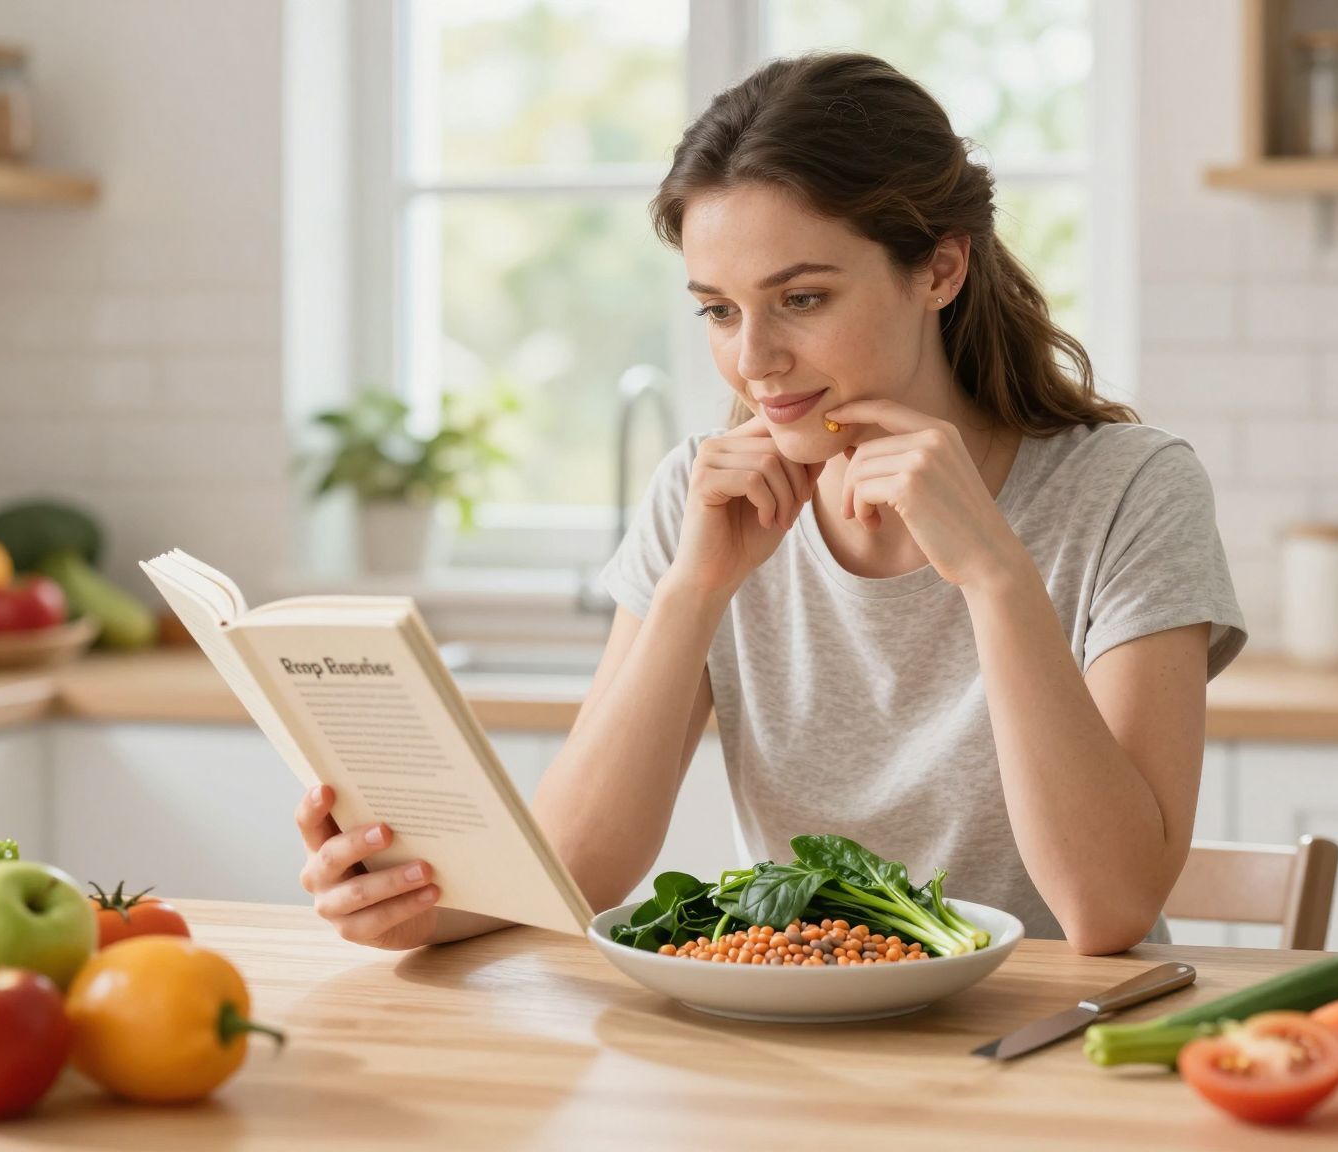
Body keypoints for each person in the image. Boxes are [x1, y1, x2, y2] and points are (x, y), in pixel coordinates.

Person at [294, 52, 1245, 955]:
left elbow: (1108, 908)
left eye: (801, 298)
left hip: (1055, 1057)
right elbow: (574, 869)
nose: (753, 361)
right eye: (718, 309)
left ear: (941, 271)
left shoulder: (1131, 489)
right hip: (797, 1038)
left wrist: (995, 576)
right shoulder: (704, 495)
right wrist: (416, 908)